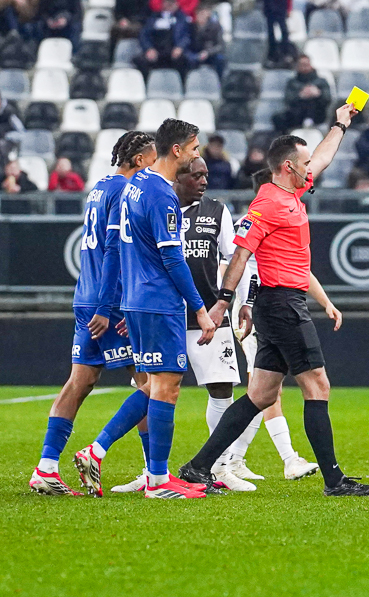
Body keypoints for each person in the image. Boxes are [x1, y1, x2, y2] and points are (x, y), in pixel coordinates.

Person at [177, 104, 369, 497]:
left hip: (276, 305)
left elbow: (322, 156)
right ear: (288, 167)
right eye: (304, 163)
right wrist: (224, 302)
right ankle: (335, 481)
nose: (312, 168)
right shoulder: (267, 204)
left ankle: (198, 466)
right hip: (284, 306)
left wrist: (341, 122)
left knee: (260, 395)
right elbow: (239, 255)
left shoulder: (293, 191)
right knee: (318, 385)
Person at [109, 157, 317, 493]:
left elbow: (238, 258)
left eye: (206, 174)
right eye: (197, 175)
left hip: (209, 318)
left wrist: (242, 303)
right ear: (179, 178)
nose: (205, 180)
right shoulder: (153, 204)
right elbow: (129, 258)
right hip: (163, 315)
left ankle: (218, 467)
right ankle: (151, 473)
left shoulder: (216, 211)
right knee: (149, 389)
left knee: (222, 388)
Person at [73, 118, 214, 500]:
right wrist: (199, 309)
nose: (199, 154)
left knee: (151, 385)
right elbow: (172, 258)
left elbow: (116, 247)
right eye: (195, 148)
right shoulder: (162, 194)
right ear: (178, 150)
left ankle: (97, 451)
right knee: (167, 388)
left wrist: (118, 302)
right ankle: (157, 481)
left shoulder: (134, 185)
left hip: (135, 301)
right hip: (158, 301)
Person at [28, 131, 156, 496]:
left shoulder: (99, 187)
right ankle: (141, 467)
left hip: (87, 296)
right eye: (150, 158)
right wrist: (107, 306)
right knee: (153, 384)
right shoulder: (123, 192)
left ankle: (46, 468)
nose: (153, 166)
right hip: (108, 303)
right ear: (137, 160)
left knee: (80, 382)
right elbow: (114, 249)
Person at [133, 0, 191, 80]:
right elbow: (144, 35)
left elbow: (187, 36)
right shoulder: (153, 18)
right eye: (167, 2)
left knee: (184, 61)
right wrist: (149, 48)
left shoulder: (182, 18)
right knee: (140, 60)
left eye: (172, 3)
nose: (170, 5)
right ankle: (147, 85)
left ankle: (181, 86)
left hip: (173, 50)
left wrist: (180, 47)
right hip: (156, 50)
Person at [273, 54, 332, 131]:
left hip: (317, 113)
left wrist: (318, 94)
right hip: (297, 114)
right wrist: (301, 95)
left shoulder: (321, 81)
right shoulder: (292, 82)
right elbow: (288, 99)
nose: (305, 67)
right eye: (302, 65)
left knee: (311, 102)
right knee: (278, 118)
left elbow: (328, 98)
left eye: (306, 64)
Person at [186, 3, 226, 79]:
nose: (200, 16)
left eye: (202, 13)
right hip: (196, 53)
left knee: (220, 59)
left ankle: (220, 82)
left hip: (210, 54)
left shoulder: (215, 27)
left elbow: (220, 46)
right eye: (198, 14)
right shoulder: (191, 27)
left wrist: (208, 52)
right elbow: (188, 43)